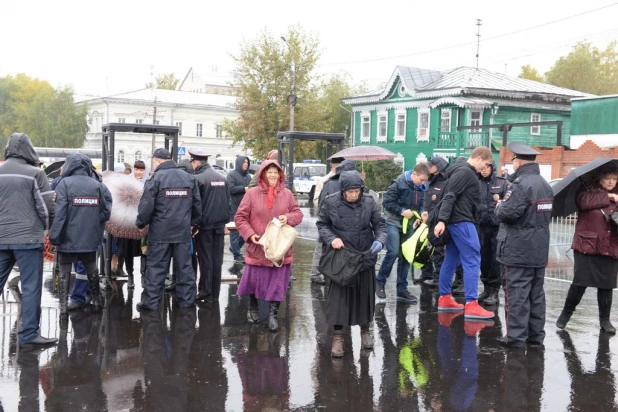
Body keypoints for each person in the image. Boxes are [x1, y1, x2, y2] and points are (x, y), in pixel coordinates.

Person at [316, 170, 387, 357]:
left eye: (357, 191)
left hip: (364, 255)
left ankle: (365, 331)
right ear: (343, 190)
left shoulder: (370, 202)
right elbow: (322, 224)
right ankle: (338, 337)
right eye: (350, 192)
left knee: (364, 297)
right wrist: (331, 239)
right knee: (339, 299)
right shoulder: (331, 202)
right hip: (341, 257)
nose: (354, 195)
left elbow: (380, 225)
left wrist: (380, 239)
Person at [0, 133, 57, 348]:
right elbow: (46, 208)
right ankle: (28, 335)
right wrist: (46, 229)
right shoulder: (35, 174)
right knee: (31, 286)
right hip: (28, 239)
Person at [495, 142, 554, 348]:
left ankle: (515, 338)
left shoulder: (519, 185)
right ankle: (535, 337)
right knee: (536, 295)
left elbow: (507, 214)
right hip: (538, 249)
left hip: (518, 249)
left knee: (517, 294)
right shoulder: (545, 184)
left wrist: (499, 206)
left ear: (517, 162)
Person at [235, 160, 303, 332]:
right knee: (254, 280)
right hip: (258, 246)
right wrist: (250, 235)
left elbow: (298, 214)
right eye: (269, 172)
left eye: (275, 172)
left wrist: (288, 217)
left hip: (280, 248)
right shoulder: (251, 194)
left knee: (278, 282)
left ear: (280, 175)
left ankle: (273, 313)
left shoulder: (287, 194)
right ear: (262, 174)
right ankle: (254, 305)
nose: (272, 175)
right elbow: (240, 217)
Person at [135, 148, 201, 311]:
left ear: (157, 160)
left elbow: (146, 206)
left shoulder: (156, 178)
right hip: (182, 232)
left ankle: (151, 303)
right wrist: (194, 223)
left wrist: (140, 222)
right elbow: (197, 205)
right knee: (184, 267)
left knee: (157, 268)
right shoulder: (188, 178)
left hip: (160, 232)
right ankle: (187, 301)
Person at [556, 162, 618, 334]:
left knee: (606, 285)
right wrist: (610, 198)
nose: (611, 182)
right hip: (586, 245)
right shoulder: (586, 191)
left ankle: (605, 321)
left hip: (610, 246)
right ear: (600, 178)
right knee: (580, 282)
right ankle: (566, 314)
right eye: (608, 179)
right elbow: (583, 203)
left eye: (614, 179)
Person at [434, 146, 494, 320]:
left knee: (452, 258)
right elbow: (450, 196)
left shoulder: (460, 171)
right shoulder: (466, 173)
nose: (486, 168)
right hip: (462, 221)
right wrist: (441, 220)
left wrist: (444, 220)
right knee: (473, 259)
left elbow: (450, 195)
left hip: (456, 221)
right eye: (487, 163)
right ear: (480, 157)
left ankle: (445, 298)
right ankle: (472, 304)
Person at [49, 153, 112, 317]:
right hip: (90, 238)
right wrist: (90, 222)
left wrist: (54, 237)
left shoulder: (64, 184)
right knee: (92, 270)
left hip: (67, 239)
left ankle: (63, 309)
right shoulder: (97, 185)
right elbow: (105, 212)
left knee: (64, 273)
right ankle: (97, 303)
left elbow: (60, 214)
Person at [376, 163, 430, 304]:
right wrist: (401, 211)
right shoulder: (398, 183)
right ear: (414, 174)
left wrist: (421, 214)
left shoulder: (421, 187)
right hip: (393, 221)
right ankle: (380, 282)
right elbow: (387, 202)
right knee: (393, 252)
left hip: (410, 223)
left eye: (425, 181)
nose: (423, 183)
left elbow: (422, 203)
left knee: (407, 254)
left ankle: (402, 288)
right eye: (421, 180)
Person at [190, 150, 231, 303]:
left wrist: (194, 225)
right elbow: (228, 202)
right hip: (220, 226)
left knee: (205, 260)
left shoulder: (197, 179)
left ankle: (205, 293)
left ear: (195, 162)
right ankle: (215, 292)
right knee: (216, 260)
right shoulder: (223, 178)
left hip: (204, 227)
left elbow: (196, 204)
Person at [309, 157, 349, 284]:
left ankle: (328, 272)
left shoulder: (346, 181)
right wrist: (326, 212)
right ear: (334, 166)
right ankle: (316, 273)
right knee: (321, 247)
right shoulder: (325, 181)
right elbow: (317, 200)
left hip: (335, 221)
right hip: (327, 220)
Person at [477, 160, 508, 306]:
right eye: (482, 167)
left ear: (492, 167)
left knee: (495, 260)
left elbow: (508, 202)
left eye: (486, 167)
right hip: (481, 227)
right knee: (483, 259)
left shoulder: (502, 183)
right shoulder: (476, 182)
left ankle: (494, 291)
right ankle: (486, 288)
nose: (483, 170)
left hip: (497, 228)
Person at [116, 159, 147, 289]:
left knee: (144, 250)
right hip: (128, 222)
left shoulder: (149, 183)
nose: (139, 172)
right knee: (127, 250)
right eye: (137, 169)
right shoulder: (126, 183)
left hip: (144, 222)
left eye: (141, 169)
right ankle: (130, 275)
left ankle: (144, 275)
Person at [420, 156, 450, 286]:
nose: (429, 167)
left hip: (439, 221)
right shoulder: (431, 181)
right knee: (432, 250)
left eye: (432, 165)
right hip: (429, 220)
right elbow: (427, 201)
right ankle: (434, 276)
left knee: (439, 251)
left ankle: (439, 279)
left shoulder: (446, 182)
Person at [227, 156, 252, 263]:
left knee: (245, 231)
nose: (246, 164)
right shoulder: (232, 175)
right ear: (239, 163)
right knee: (234, 232)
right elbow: (230, 188)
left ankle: (234, 247)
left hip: (246, 208)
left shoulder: (248, 177)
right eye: (244, 162)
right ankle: (237, 255)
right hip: (234, 207)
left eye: (247, 162)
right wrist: (244, 188)